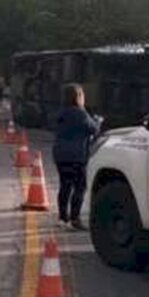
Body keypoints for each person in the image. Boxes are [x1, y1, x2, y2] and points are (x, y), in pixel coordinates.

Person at [52, 83, 102, 230]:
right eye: (82, 95)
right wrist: (98, 121)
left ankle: (62, 217)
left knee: (65, 185)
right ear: (78, 97)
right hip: (76, 156)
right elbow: (94, 129)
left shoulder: (62, 112)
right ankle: (75, 218)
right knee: (80, 187)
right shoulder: (80, 113)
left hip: (60, 154)